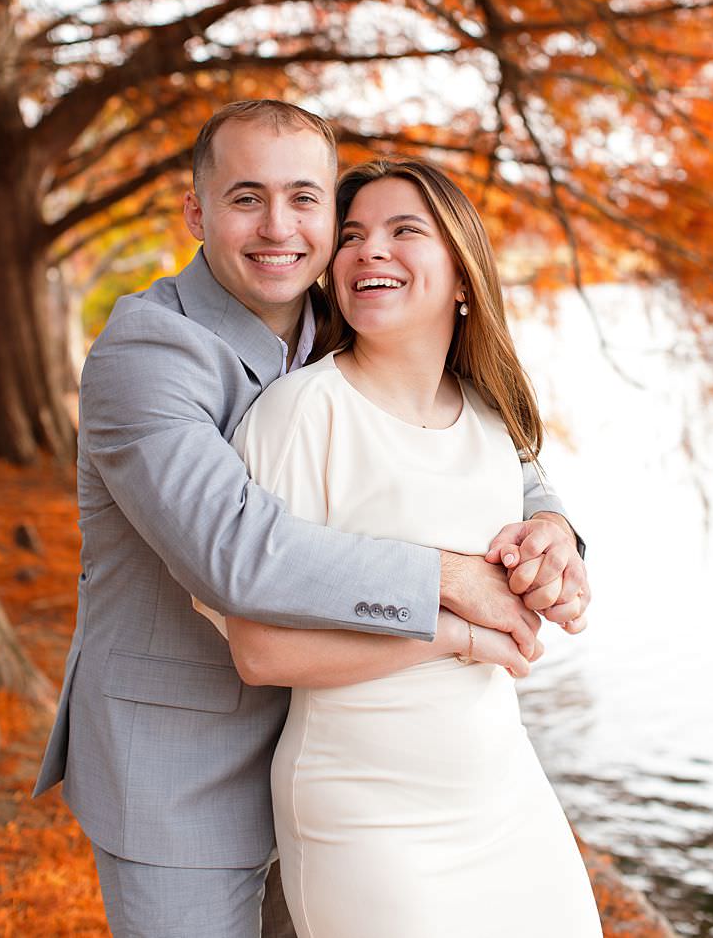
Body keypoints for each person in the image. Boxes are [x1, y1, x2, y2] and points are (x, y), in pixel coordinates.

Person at [34, 100, 590, 938]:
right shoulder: (146, 352)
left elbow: (456, 433)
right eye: (245, 197)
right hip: (186, 765)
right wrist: (454, 585)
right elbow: (239, 551)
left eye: (304, 198)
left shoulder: (340, 316)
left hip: (343, 746)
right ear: (196, 211)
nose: (278, 227)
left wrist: (551, 525)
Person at [208, 156, 600, 935]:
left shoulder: (493, 423)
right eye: (351, 235)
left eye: (402, 230)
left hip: (506, 789)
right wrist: (454, 632)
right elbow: (260, 651)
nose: (367, 249)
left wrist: (558, 560)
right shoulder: (300, 414)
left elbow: (537, 543)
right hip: (365, 809)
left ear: (462, 276)